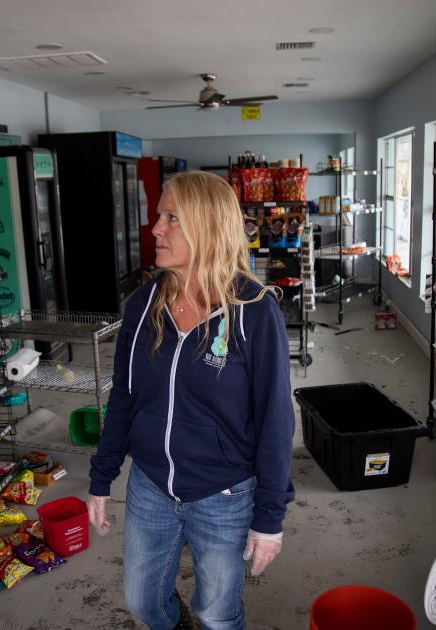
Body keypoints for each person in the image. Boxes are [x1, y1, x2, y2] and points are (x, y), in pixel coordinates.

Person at [87, 171, 295, 630]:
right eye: (159, 216)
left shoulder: (253, 310)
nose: (155, 228)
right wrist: (102, 477)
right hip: (150, 486)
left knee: (217, 613)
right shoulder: (142, 306)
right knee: (142, 602)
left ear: (207, 226)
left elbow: (277, 420)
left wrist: (270, 518)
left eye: (172, 218)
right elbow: (122, 397)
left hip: (224, 493)